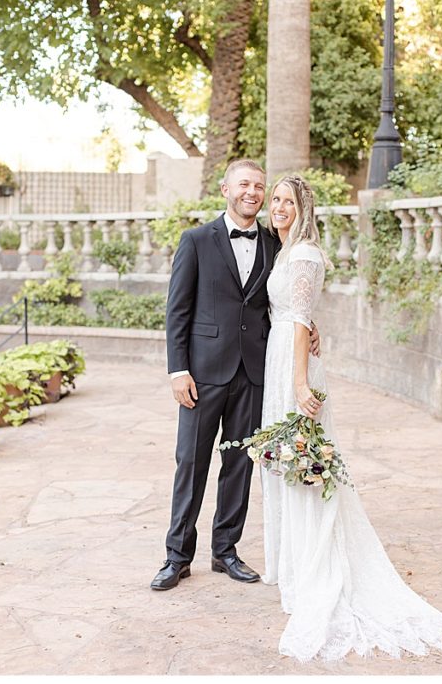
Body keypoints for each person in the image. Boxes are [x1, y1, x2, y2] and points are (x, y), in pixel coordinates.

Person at [258, 174, 442, 661]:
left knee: (303, 461)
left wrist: (302, 383)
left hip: (294, 366)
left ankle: (315, 569)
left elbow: (301, 318)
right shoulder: (286, 252)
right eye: (276, 200)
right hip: (282, 356)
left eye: (289, 201)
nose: (279, 207)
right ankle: (297, 565)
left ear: (304, 208)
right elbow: (299, 313)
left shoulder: (303, 254)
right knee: (286, 463)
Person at [152, 159, 318, 590]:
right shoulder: (195, 241)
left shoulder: (272, 244)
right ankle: (177, 556)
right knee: (191, 463)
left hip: (254, 372)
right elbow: (177, 312)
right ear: (225, 188)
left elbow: (289, 300)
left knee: (239, 465)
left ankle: (225, 550)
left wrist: (312, 328)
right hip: (202, 374)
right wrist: (178, 370)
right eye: (245, 184)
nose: (253, 192)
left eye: (259, 186)